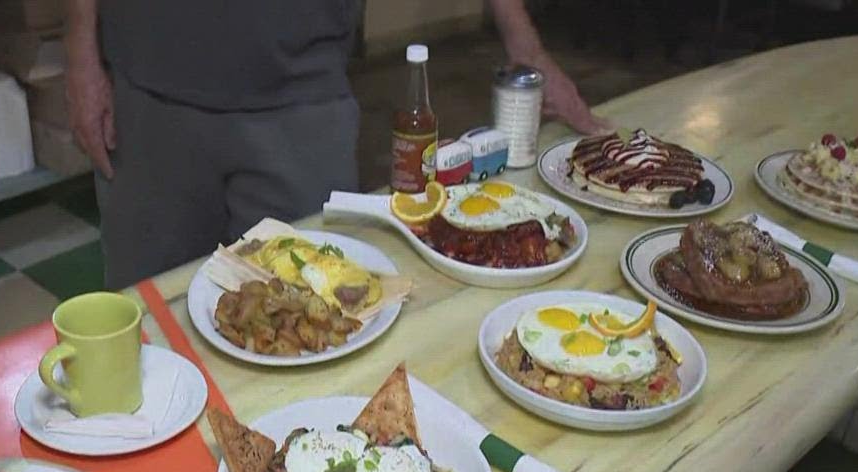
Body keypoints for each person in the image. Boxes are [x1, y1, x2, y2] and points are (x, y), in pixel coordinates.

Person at [66, 0, 608, 289]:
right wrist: (78, 50)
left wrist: (526, 47)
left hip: (300, 101)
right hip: (148, 97)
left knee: (307, 317)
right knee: (151, 332)